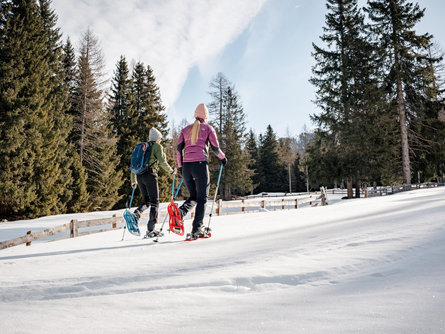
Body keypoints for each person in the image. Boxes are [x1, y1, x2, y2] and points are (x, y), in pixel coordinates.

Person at [176, 103, 227, 238]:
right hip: (200, 166)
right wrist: (223, 158)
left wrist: (181, 167)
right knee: (202, 198)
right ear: (206, 117)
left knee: (193, 197)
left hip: (187, 167)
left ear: (195, 115)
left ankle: (179, 214)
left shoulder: (185, 130)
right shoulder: (208, 128)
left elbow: (178, 150)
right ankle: (197, 228)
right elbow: (216, 148)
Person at [131, 128, 176, 238]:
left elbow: (133, 163)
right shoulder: (157, 147)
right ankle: (151, 229)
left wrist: (133, 179)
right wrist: (171, 171)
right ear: (158, 138)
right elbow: (162, 161)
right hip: (150, 175)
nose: (161, 141)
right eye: (160, 139)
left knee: (147, 201)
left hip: (139, 175)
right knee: (155, 202)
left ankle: (136, 215)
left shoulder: (142, 147)